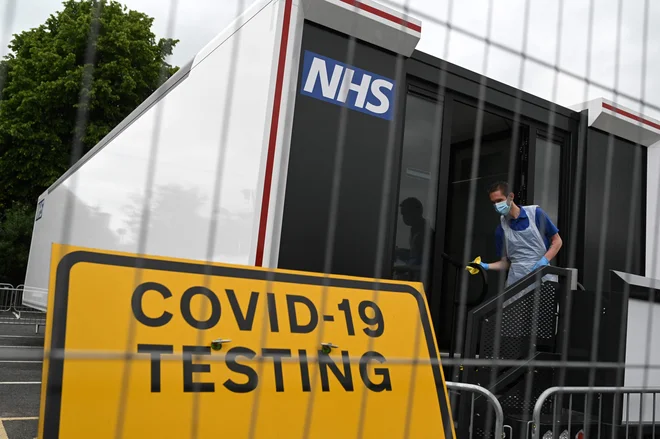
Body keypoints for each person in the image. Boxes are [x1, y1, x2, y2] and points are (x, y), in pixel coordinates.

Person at [474, 181, 562, 287]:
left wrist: (544, 260)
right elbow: (506, 263)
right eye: (493, 203)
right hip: (516, 281)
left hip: (542, 276)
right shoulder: (501, 229)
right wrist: (485, 266)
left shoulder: (535, 214)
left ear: (511, 196)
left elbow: (557, 240)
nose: (497, 205)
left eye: (499, 200)